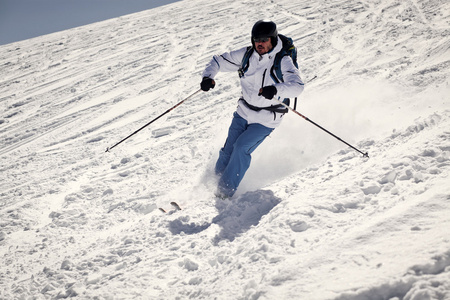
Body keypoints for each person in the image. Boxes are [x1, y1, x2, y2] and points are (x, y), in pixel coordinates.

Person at [200, 20, 304, 198]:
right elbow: (218, 61)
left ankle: (223, 193)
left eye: (264, 40)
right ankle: (210, 188)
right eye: (256, 39)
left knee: (241, 148)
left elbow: (297, 86)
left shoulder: (283, 59)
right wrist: (208, 77)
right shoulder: (247, 55)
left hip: (266, 118)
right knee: (228, 150)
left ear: (273, 39)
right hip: (243, 112)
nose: (260, 44)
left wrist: (276, 90)